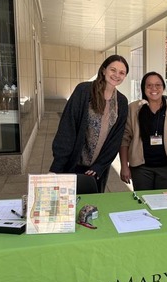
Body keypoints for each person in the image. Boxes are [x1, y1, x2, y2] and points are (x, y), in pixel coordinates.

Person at [50, 55, 129, 193]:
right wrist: (57, 166)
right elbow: (67, 128)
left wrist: (99, 167)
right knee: (67, 204)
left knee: (91, 209)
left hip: (97, 170)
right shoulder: (84, 91)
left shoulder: (121, 101)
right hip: (73, 163)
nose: (117, 75)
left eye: (122, 73)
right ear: (104, 70)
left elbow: (115, 140)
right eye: (113, 70)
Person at [119, 72, 167, 190]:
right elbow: (124, 139)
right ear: (143, 88)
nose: (154, 88)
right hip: (140, 169)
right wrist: (124, 166)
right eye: (149, 85)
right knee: (143, 203)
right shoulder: (133, 109)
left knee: (164, 204)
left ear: (163, 87)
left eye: (158, 85)